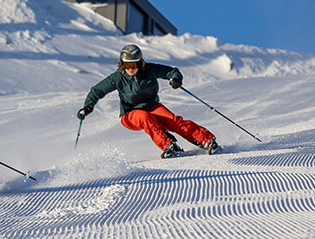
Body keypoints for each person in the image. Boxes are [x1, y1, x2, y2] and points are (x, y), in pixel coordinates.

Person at [77, 44, 219, 158]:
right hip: (130, 114)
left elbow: (171, 71)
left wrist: (175, 79)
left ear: (140, 63)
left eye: (134, 64)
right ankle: (168, 145)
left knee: (174, 121)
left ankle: (206, 140)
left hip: (152, 106)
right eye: (127, 66)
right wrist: (88, 106)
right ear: (122, 64)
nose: (131, 69)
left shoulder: (149, 70)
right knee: (145, 117)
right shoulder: (117, 78)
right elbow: (97, 90)